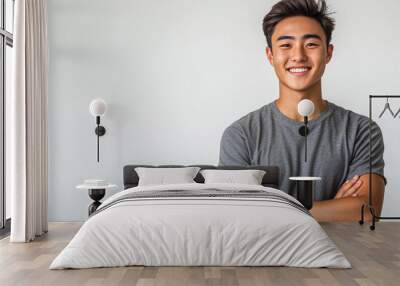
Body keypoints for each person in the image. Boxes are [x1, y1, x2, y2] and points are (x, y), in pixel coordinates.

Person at [219, 0, 385, 222]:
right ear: (270, 55)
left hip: (343, 255)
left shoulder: (361, 131)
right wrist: (332, 209)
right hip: (265, 257)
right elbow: (237, 216)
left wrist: (274, 211)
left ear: (328, 53)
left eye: (311, 44)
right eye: (286, 45)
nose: (298, 56)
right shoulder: (241, 135)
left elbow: (367, 211)